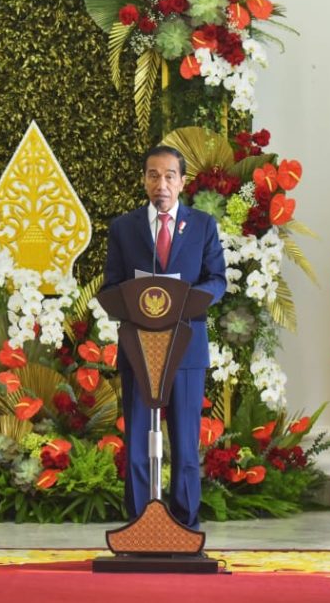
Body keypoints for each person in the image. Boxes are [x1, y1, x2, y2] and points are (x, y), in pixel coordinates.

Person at [103, 145, 226, 530]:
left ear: (182, 182)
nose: (162, 184)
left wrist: (182, 302)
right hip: (141, 348)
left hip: (187, 349)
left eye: (170, 176)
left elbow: (217, 280)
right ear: (144, 180)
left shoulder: (203, 226)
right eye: (153, 175)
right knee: (139, 442)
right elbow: (111, 286)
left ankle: (186, 524)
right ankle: (139, 523)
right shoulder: (124, 228)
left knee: (186, 445)